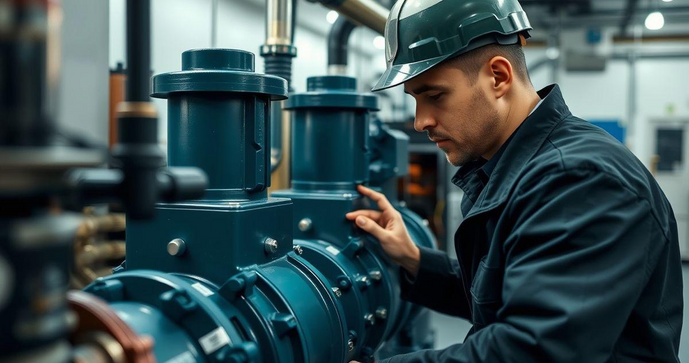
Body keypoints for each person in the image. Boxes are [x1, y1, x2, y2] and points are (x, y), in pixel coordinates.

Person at [346, 0, 683, 362]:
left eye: (435, 95)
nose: (420, 121)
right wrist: (413, 259)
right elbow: (509, 293)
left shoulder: (580, 180)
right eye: (414, 99)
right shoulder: (515, 169)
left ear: (499, 77)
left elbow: (531, 350)